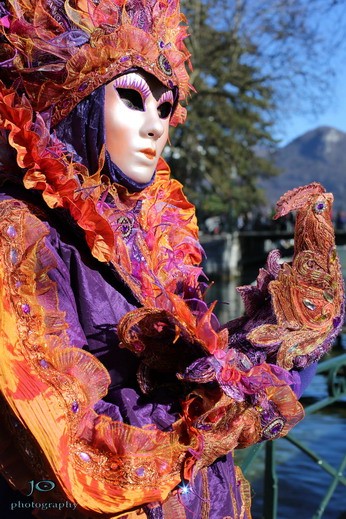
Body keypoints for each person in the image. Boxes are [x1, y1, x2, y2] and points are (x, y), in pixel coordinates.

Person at [0, 1, 344, 518]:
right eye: (134, 99)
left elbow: (189, 363)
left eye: (165, 108)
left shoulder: (152, 230)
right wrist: (230, 400)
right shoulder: (20, 236)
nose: (156, 127)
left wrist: (277, 339)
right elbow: (78, 446)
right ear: (77, 99)